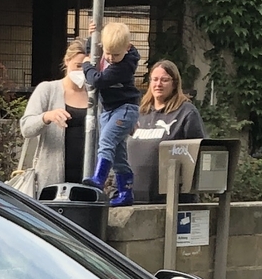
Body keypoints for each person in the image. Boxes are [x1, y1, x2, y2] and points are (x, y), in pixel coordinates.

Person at [13, 44, 91, 196]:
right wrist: (46, 117)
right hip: (52, 180)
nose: (81, 72)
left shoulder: (95, 94)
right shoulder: (48, 89)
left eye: (87, 67)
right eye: (78, 66)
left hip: (87, 179)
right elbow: (26, 128)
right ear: (67, 61)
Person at [81, 22, 142, 206]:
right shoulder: (111, 53)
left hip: (125, 108)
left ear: (128, 48)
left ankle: (99, 179)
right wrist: (93, 37)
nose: (111, 58)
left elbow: (98, 80)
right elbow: (96, 52)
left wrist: (85, 65)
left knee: (106, 141)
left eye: (116, 54)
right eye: (108, 53)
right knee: (118, 156)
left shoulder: (125, 65)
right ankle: (125, 192)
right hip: (108, 109)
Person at [136, 60, 205, 146]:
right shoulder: (140, 112)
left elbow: (197, 149)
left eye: (164, 80)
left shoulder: (186, 112)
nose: (158, 84)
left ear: (174, 84)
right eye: (155, 79)